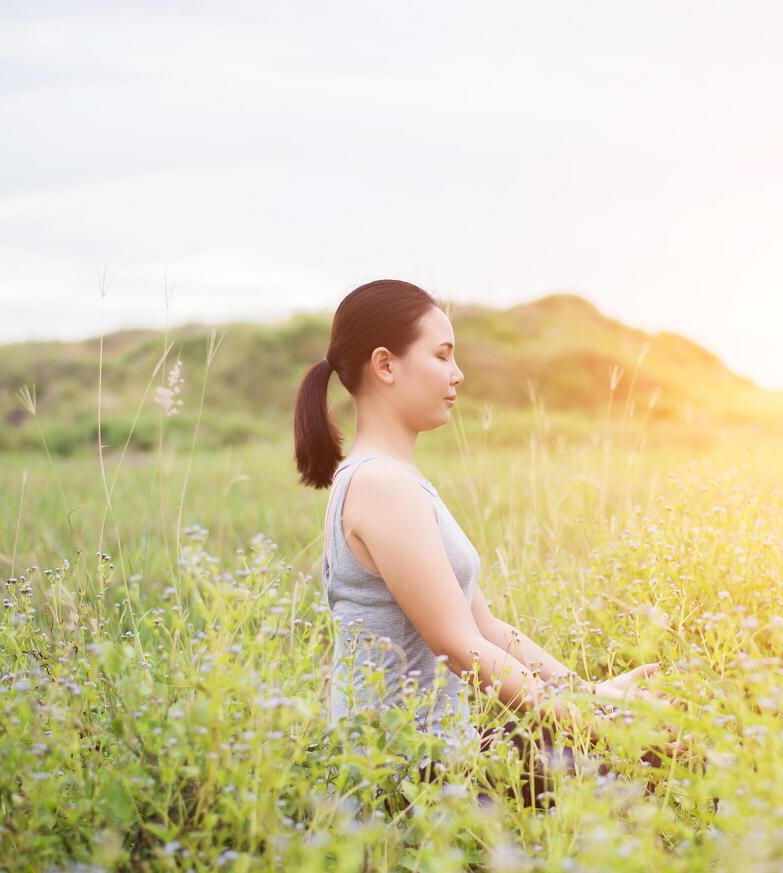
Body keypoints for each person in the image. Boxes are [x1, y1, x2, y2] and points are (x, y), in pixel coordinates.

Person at [293, 279, 683, 808]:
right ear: (385, 365)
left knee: (656, 719)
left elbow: (486, 627)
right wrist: (596, 726)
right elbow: (459, 645)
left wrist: (594, 698)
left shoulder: (398, 481)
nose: (457, 375)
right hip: (404, 782)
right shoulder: (381, 486)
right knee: (663, 751)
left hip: (439, 762)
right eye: (442, 355)